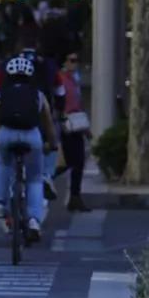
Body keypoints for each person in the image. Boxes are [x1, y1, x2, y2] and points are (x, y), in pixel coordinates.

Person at [0, 54, 59, 243]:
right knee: (34, 179)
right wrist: (52, 143)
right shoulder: (38, 95)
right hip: (31, 136)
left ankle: (0, 204)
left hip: (6, 134)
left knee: (3, 164)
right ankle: (34, 220)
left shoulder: (2, 94)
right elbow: (48, 123)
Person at [57, 51, 92, 212]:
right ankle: (42, 183)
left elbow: (79, 104)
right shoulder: (60, 80)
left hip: (76, 124)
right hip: (65, 125)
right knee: (66, 162)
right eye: (72, 60)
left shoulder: (73, 80)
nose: (75, 63)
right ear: (64, 62)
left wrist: (86, 129)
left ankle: (75, 197)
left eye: (77, 60)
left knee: (77, 161)